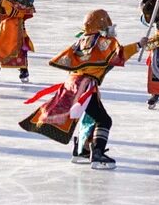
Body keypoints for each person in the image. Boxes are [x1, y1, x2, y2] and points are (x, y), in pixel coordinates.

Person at [20, 9, 146, 170]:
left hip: (73, 84)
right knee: (104, 120)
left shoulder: (82, 41)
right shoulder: (102, 41)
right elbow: (118, 55)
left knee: (91, 118)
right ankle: (98, 154)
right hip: (85, 86)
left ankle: (82, 150)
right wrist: (138, 45)